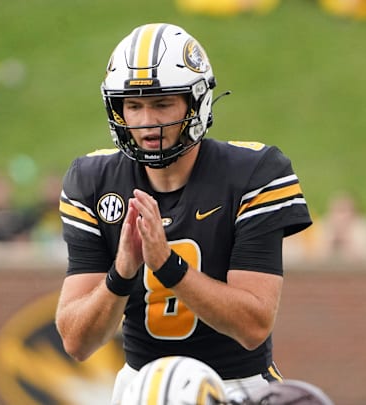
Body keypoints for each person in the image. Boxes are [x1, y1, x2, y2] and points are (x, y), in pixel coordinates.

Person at [54, 23, 313, 405]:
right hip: (142, 386)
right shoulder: (93, 181)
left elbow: (253, 325)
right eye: (134, 105)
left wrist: (167, 265)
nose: (146, 121)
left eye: (161, 104)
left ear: (196, 103)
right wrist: (122, 273)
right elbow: (77, 341)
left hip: (237, 385)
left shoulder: (254, 173)